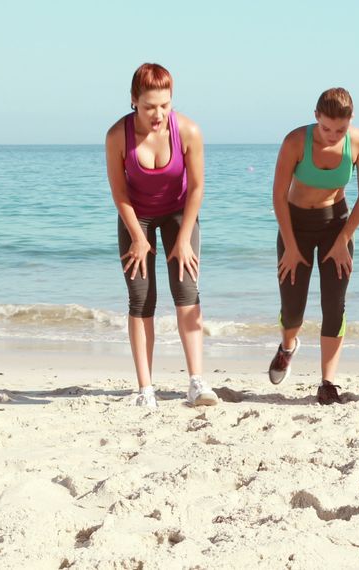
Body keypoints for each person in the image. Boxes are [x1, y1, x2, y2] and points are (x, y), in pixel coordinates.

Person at [105, 63, 219, 409]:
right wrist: (138, 237)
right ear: (133, 101)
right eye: (150, 106)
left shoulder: (188, 131)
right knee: (141, 299)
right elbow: (119, 193)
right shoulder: (116, 136)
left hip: (178, 213)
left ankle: (196, 382)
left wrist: (184, 238)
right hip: (135, 214)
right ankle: (145, 389)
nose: (158, 114)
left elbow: (197, 188)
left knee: (186, 290)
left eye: (165, 105)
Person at [267, 88, 359, 405]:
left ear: (350, 121)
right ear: (316, 117)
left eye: (339, 130)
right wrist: (289, 245)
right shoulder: (295, 141)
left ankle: (328, 382)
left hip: (336, 227)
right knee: (293, 311)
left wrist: (344, 239)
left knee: (334, 304)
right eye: (326, 128)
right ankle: (288, 346)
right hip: (295, 226)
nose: (332, 135)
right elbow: (278, 195)